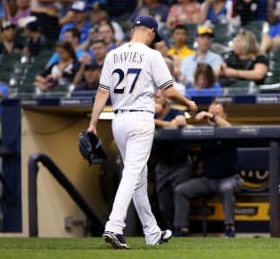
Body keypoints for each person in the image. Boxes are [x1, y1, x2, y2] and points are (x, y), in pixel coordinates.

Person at [86, 14, 197, 249]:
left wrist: (93, 123)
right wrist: (188, 103)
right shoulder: (152, 55)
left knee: (137, 177)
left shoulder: (113, 54)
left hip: (119, 121)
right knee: (132, 174)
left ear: (131, 31)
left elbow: (102, 93)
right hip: (140, 118)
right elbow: (168, 92)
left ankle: (152, 232)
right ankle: (115, 226)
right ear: (151, 32)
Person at [173, 102, 242, 238]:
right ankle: (182, 228)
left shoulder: (229, 130)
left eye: (216, 114)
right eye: (210, 113)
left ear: (224, 116)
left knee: (226, 188)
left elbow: (229, 128)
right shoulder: (204, 132)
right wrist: (183, 123)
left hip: (230, 179)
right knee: (180, 190)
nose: (211, 117)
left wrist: (210, 115)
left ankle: (229, 228)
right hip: (208, 180)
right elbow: (189, 130)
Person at [152, 89, 192, 231]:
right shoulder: (150, 114)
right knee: (164, 203)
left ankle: (182, 229)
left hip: (180, 163)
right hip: (162, 165)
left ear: (165, 98)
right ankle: (170, 230)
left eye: (157, 97)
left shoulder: (176, 112)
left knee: (180, 198)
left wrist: (154, 121)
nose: (154, 100)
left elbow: (176, 125)